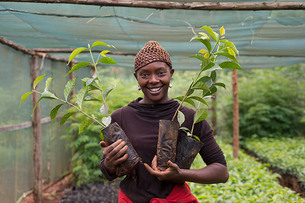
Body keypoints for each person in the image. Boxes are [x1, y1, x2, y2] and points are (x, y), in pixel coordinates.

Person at [99, 41, 229, 203]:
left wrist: (180, 174)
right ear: (136, 77)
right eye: (145, 74)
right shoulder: (121, 117)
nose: (153, 80)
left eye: (160, 73)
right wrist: (110, 164)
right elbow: (107, 172)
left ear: (171, 73)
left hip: (175, 199)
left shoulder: (189, 117)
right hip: (130, 199)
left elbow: (221, 172)